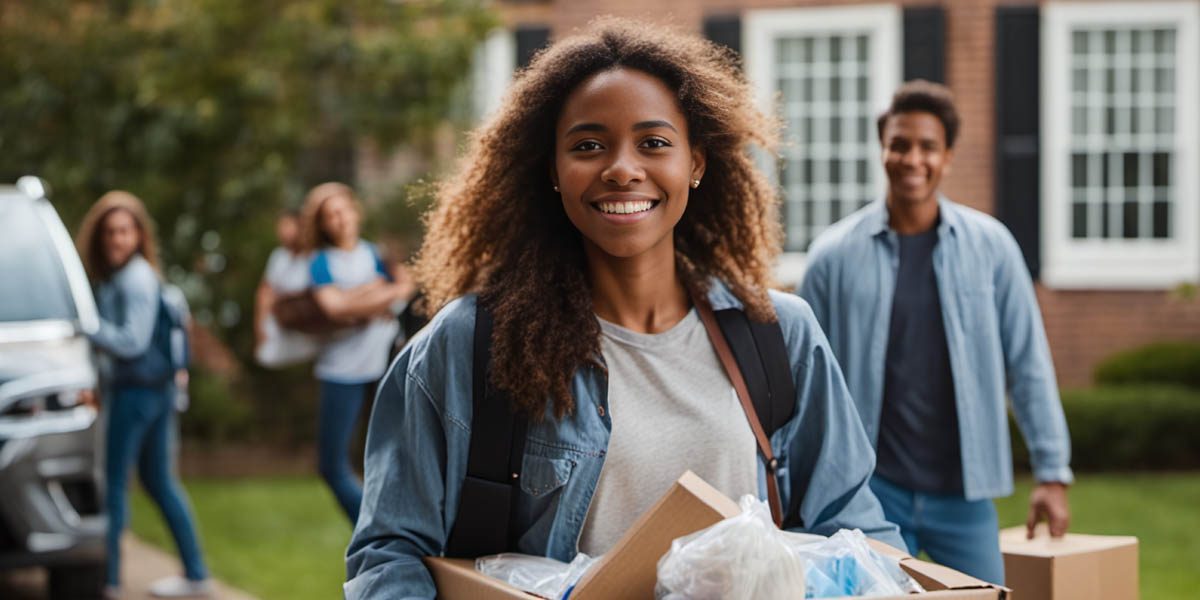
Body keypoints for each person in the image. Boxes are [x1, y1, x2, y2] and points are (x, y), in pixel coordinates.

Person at [345, 19, 903, 598]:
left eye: (654, 143)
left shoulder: (779, 336)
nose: (622, 168)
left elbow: (854, 533)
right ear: (553, 171)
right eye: (588, 145)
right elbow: (391, 555)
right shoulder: (471, 345)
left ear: (696, 163)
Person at [797, 80, 1073, 585]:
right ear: (883, 149)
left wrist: (1052, 473)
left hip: (963, 493)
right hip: (869, 491)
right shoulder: (832, 256)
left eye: (927, 146)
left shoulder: (992, 248)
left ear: (947, 156)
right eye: (899, 144)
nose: (912, 158)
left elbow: (1027, 362)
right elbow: (801, 382)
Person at [76, 191, 211, 598]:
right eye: (110, 232)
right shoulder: (138, 276)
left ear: (138, 235)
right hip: (158, 392)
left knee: (115, 484)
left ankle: (110, 580)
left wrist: (84, 326)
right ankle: (196, 574)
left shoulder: (133, 279)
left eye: (124, 231)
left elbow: (131, 342)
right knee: (158, 482)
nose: (117, 239)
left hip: (137, 394)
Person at [299, 182, 411, 525]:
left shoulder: (376, 254)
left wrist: (355, 301)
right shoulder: (320, 262)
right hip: (341, 371)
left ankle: (390, 533)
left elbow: (406, 287)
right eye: (330, 215)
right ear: (323, 224)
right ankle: (374, 528)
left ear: (355, 211)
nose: (339, 219)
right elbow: (334, 309)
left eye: (343, 210)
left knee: (389, 458)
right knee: (331, 466)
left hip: (383, 367)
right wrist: (375, 294)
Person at [253, 209, 320, 368]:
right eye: (280, 228)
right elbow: (265, 292)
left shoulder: (315, 256)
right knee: (266, 356)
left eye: (287, 226)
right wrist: (259, 326)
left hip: (309, 330)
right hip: (281, 325)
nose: (282, 232)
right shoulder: (279, 257)